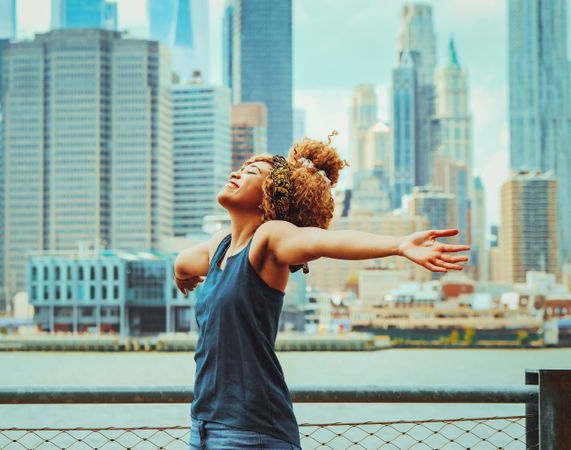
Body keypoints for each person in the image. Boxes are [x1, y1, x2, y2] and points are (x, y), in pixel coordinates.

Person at [173, 132, 470, 449]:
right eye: (241, 167)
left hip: (251, 432)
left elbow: (323, 242)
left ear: (268, 197)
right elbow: (183, 262)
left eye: (251, 172)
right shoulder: (219, 247)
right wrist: (182, 275)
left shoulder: (269, 238)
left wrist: (398, 245)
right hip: (203, 427)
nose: (236, 173)